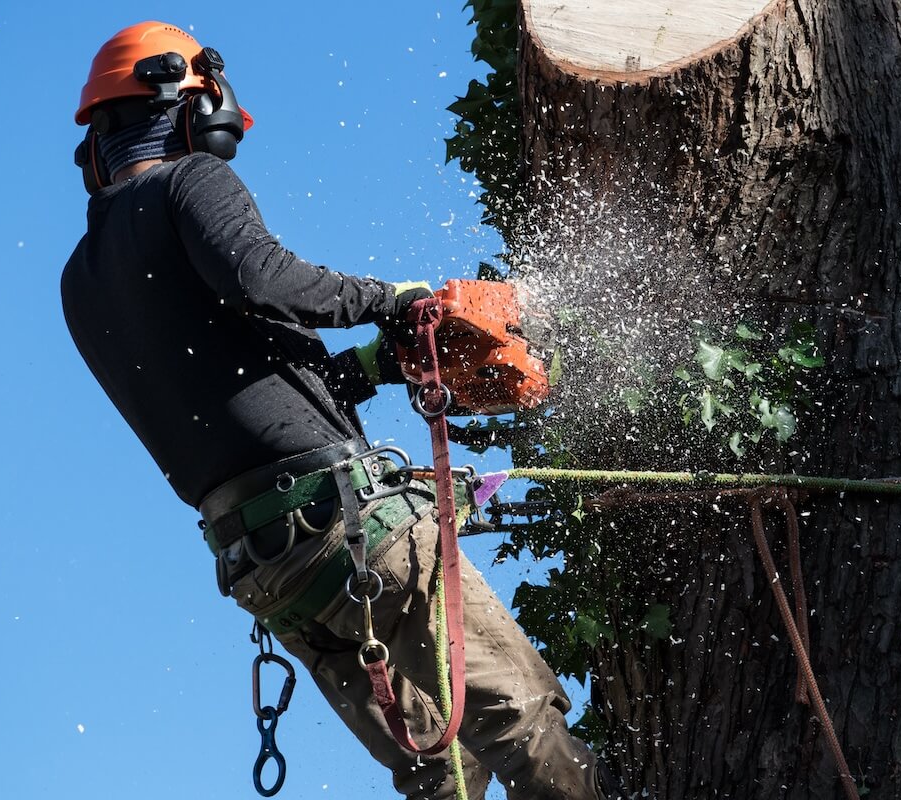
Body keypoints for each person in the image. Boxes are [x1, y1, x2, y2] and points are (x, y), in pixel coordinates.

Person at [61, 21, 614, 800]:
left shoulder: (80, 281)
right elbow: (262, 277)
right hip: (355, 530)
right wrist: (396, 299)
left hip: (274, 572)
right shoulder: (190, 183)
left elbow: (243, 384)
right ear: (190, 107)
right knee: (522, 722)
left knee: (442, 772)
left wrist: (377, 363)